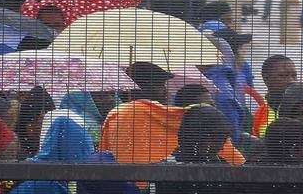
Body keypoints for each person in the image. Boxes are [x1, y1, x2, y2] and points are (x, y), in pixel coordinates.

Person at [101, 64, 245, 167]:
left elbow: (104, 154)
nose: (164, 91)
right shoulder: (181, 117)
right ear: (139, 88)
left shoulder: (116, 114)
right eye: (158, 85)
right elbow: (236, 160)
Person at [251, 54, 297, 136]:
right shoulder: (259, 114)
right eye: (283, 75)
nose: (291, 81)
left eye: (294, 76)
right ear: (266, 78)